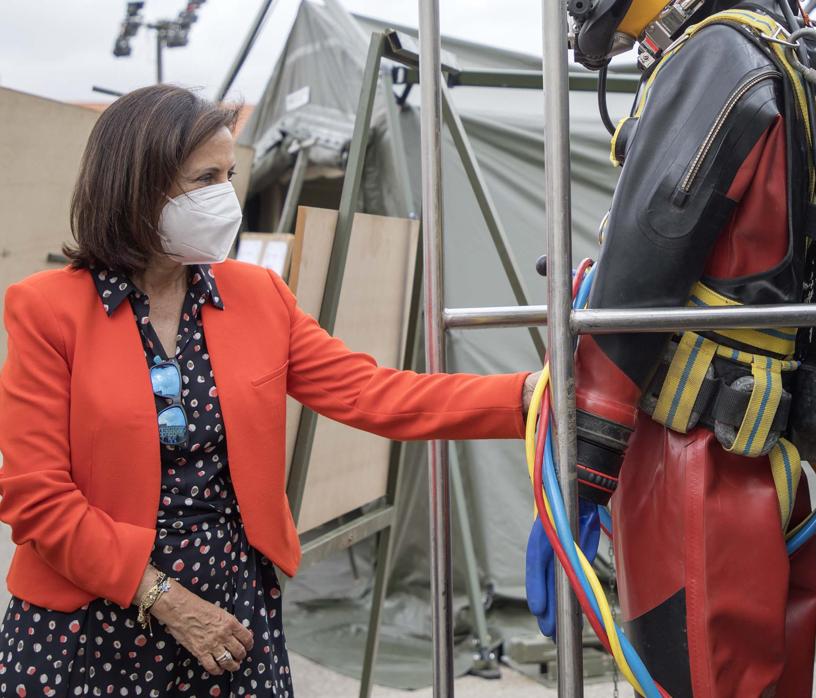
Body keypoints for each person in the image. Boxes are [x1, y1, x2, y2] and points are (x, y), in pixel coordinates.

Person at [0, 84, 535, 698]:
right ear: (137, 185)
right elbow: (38, 499)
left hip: (233, 611)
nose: (226, 197)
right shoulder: (48, 310)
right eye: (206, 179)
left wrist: (524, 397)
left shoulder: (257, 296)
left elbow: (374, 394)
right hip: (91, 623)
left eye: (229, 175)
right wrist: (167, 600)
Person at [528, 0, 816, 695]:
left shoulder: (715, 57)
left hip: (691, 468)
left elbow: (635, 290)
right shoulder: (786, 50)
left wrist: (577, 477)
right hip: (760, 461)